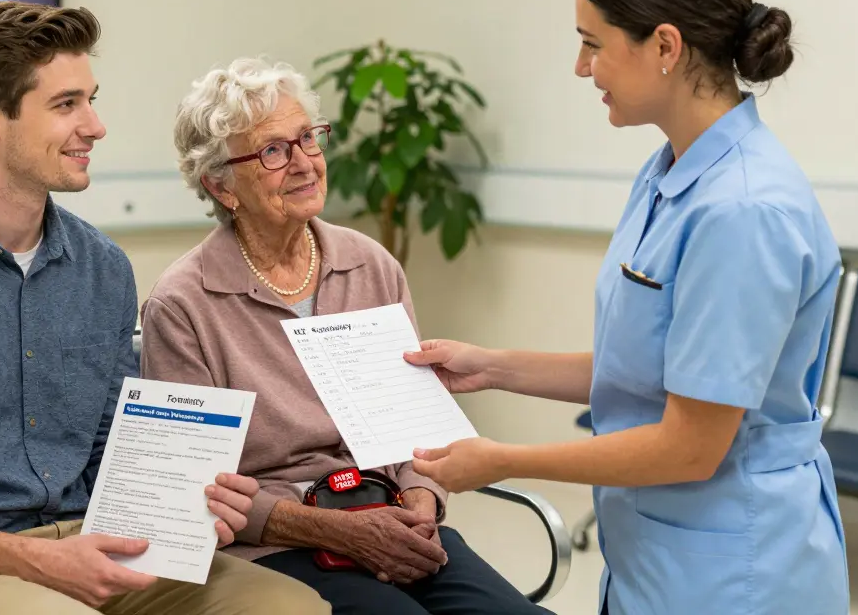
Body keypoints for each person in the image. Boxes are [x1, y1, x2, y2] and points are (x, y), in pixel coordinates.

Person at [0, 2, 329, 615]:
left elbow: (116, 452)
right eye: (66, 105)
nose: (96, 126)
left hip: (96, 545)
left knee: (293, 608)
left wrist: (187, 505)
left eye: (91, 99)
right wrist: (34, 558)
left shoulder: (102, 269)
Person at [404, 0, 849, 615]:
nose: (582, 68)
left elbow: (690, 447)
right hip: (657, 561)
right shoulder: (667, 172)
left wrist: (502, 459)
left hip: (736, 575)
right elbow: (643, 370)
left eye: (593, 45)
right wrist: (492, 366)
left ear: (665, 45)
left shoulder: (743, 210)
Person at [139, 57, 551, 615]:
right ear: (220, 183)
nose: (305, 162)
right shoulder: (184, 304)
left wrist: (424, 501)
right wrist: (336, 530)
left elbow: (414, 428)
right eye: (273, 150)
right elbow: (196, 489)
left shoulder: (370, 265)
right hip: (278, 546)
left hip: (394, 514)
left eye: (308, 138)